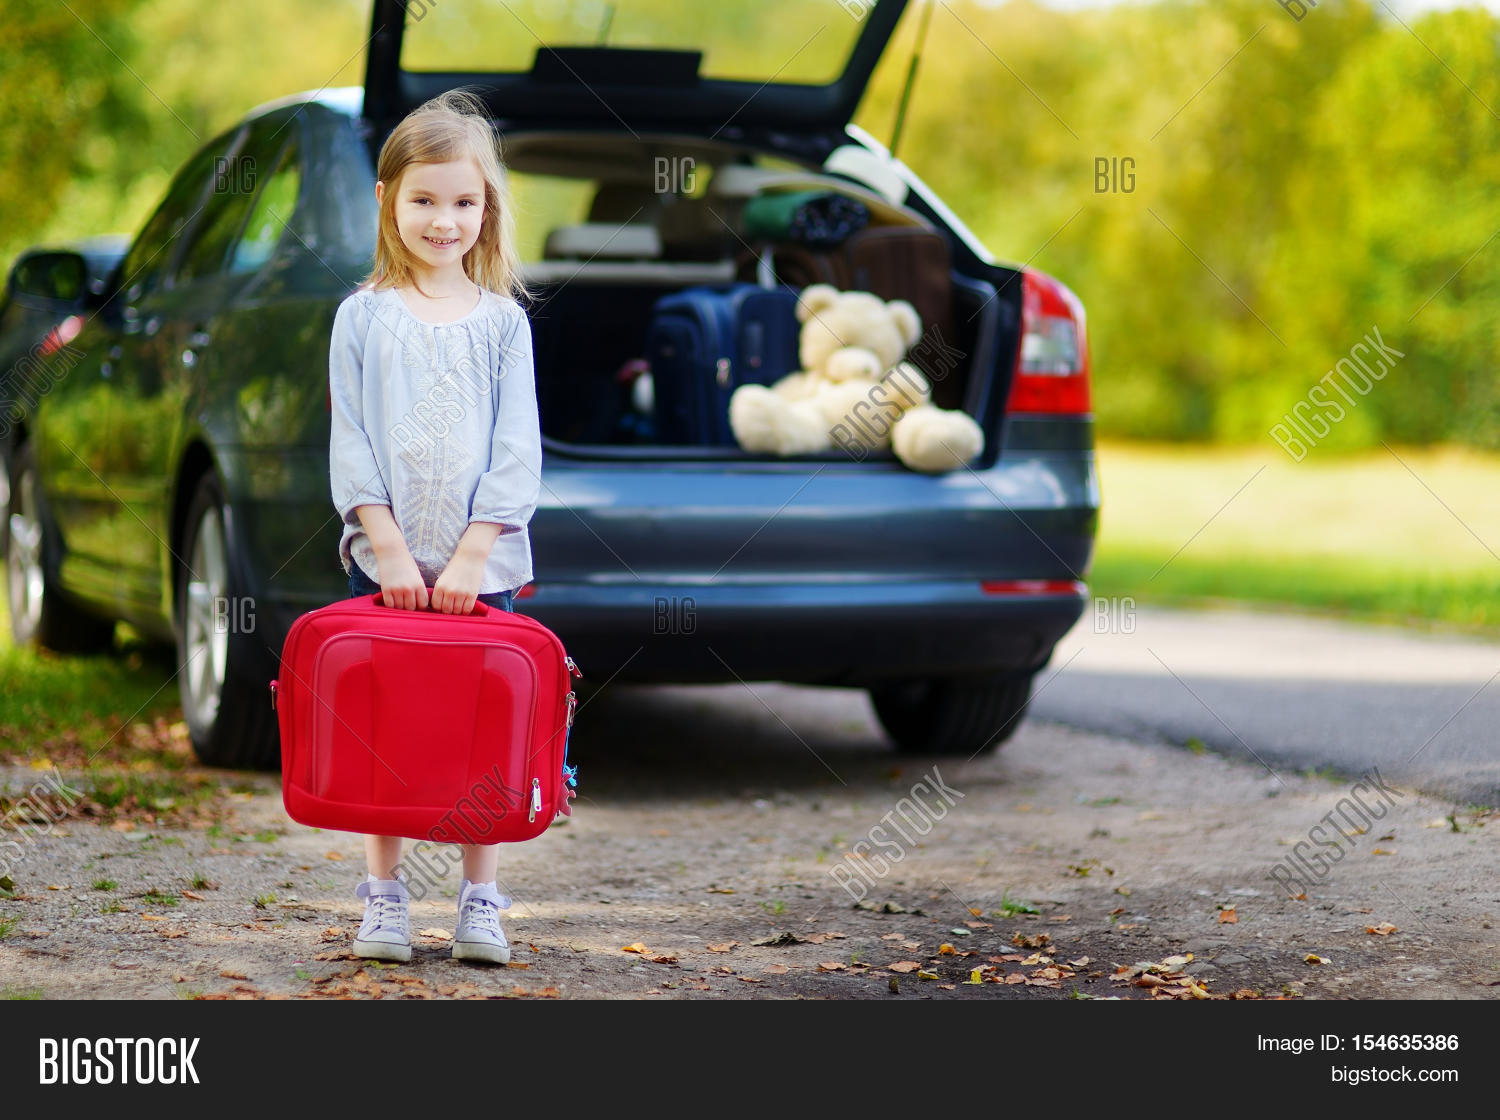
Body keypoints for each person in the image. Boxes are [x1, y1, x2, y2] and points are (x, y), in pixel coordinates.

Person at [326, 89, 540, 966]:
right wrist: (382, 544)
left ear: (486, 208)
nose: (443, 219)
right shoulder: (362, 317)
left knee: (477, 731)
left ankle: (479, 898)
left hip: (483, 569)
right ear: (387, 201)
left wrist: (475, 553)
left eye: (463, 201)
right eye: (424, 199)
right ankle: (383, 896)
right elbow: (351, 439)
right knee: (387, 728)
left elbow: (516, 449)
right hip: (386, 566)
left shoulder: (502, 324)